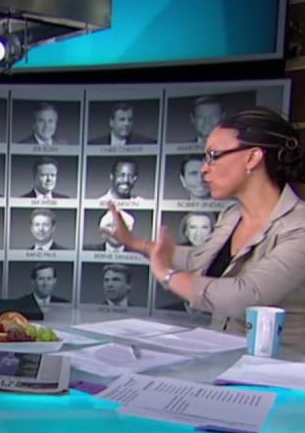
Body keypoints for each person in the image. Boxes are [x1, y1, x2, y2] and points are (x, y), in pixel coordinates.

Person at [105, 108, 305, 346]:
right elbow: (200, 260)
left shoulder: (299, 225)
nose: (204, 168)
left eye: (213, 155)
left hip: (279, 366)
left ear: (252, 157)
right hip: (224, 356)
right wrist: (136, 243)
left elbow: (246, 296)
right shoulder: (232, 216)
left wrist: (167, 275)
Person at [88, 102, 156, 145]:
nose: (127, 124)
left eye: (130, 120)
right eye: (122, 119)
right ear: (111, 122)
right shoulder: (94, 144)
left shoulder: (147, 143)